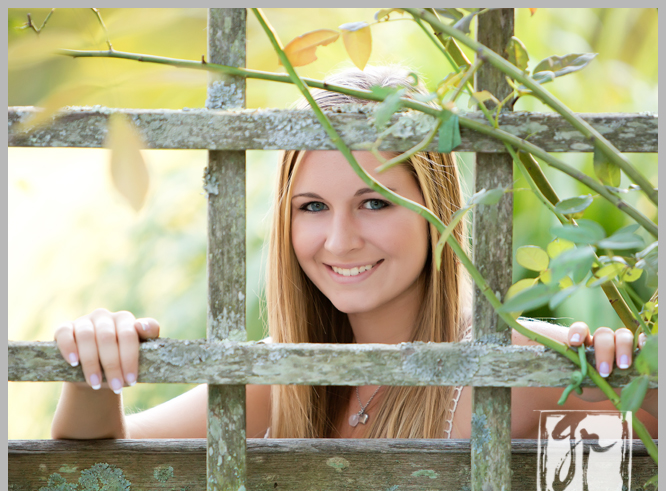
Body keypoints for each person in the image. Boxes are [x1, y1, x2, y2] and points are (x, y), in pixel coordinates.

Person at [50, 65, 657, 442]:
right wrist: (96, 364)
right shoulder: (276, 380)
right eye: (311, 207)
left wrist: (636, 382)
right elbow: (93, 461)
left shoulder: (517, 370)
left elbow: (617, 490)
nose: (339, 241)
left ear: (438, 208)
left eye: (374, 203)